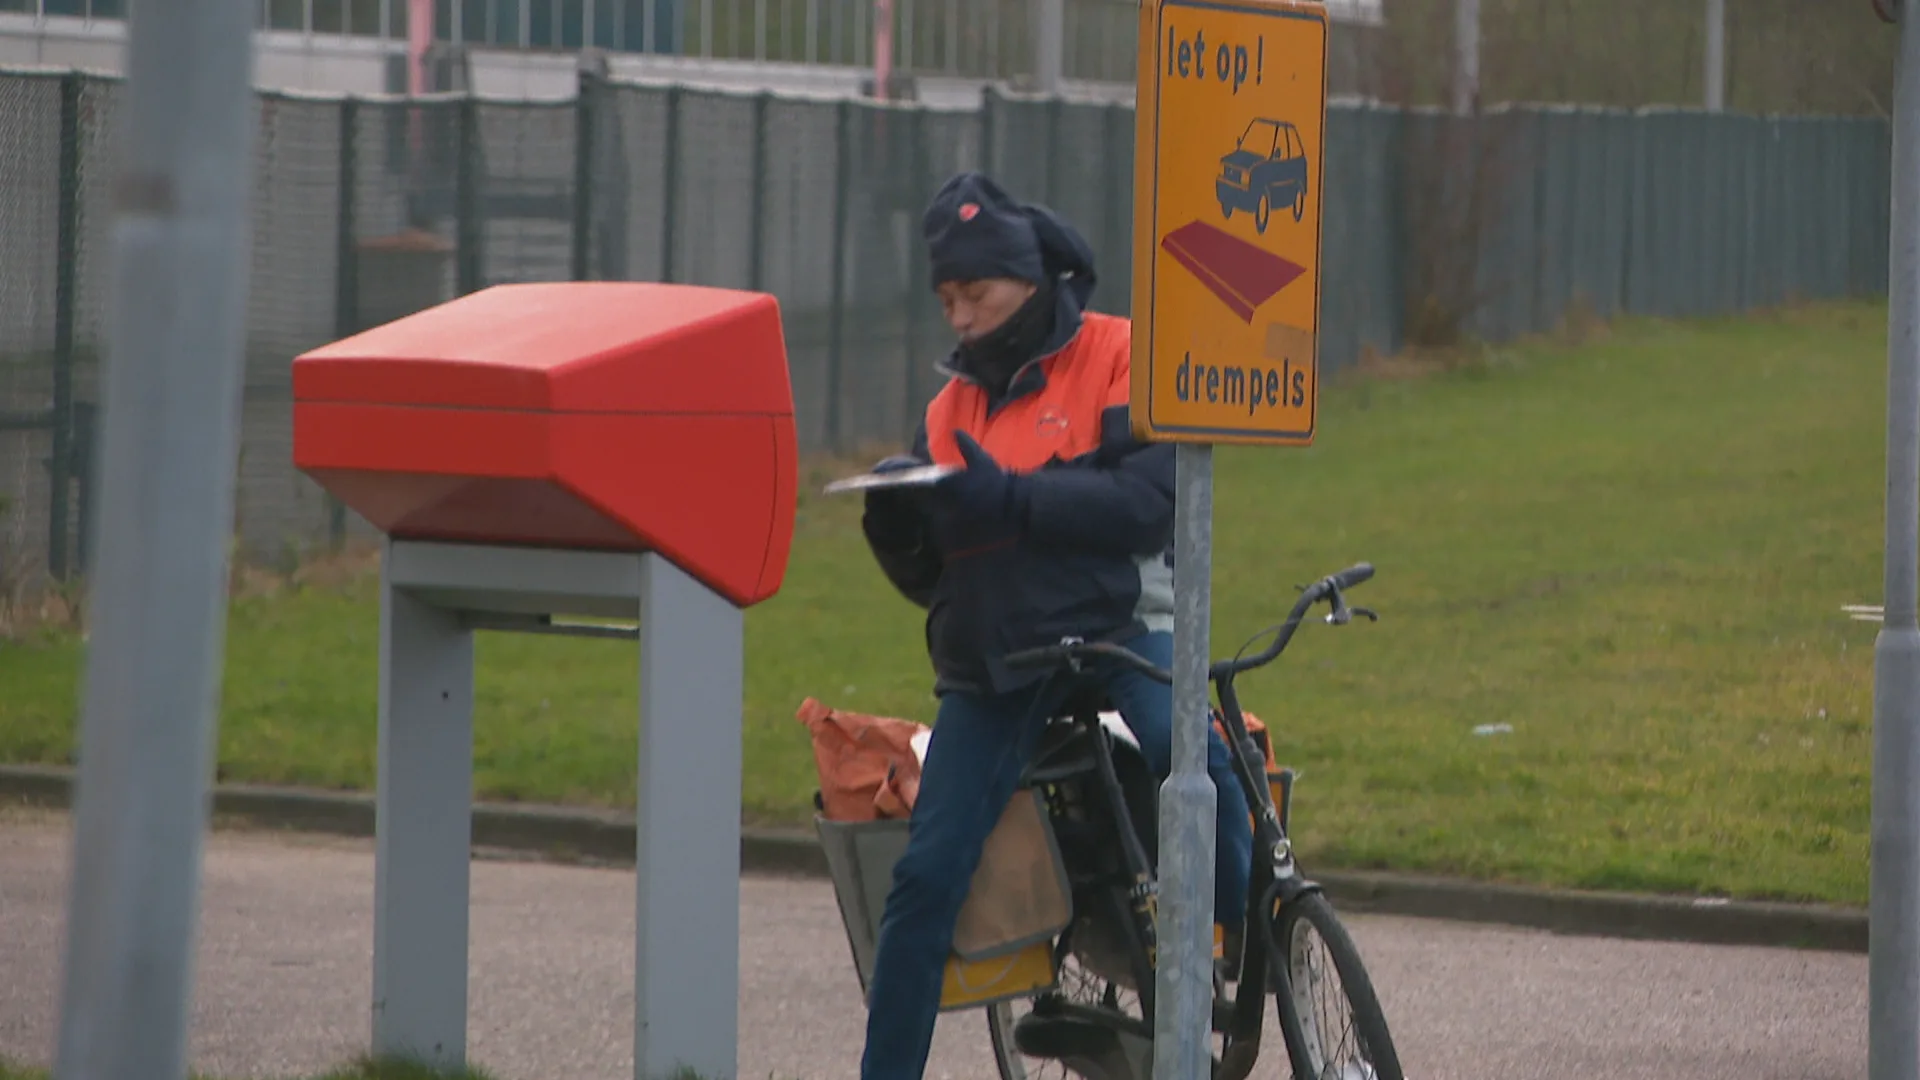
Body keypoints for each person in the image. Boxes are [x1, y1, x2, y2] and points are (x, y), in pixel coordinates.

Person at [854, 170, 1254, 1080]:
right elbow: (939, 581)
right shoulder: (950, 407)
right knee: (923, 880)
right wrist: (896, 530)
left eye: (976, 294)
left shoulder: (1117, 353)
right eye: (947, 298)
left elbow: (1147, 507)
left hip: (1121, 621)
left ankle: (1237, 945)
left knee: (1194, 763)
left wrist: (1016, 499)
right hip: (1002, 658)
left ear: (1028, 283)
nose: (958, 317)